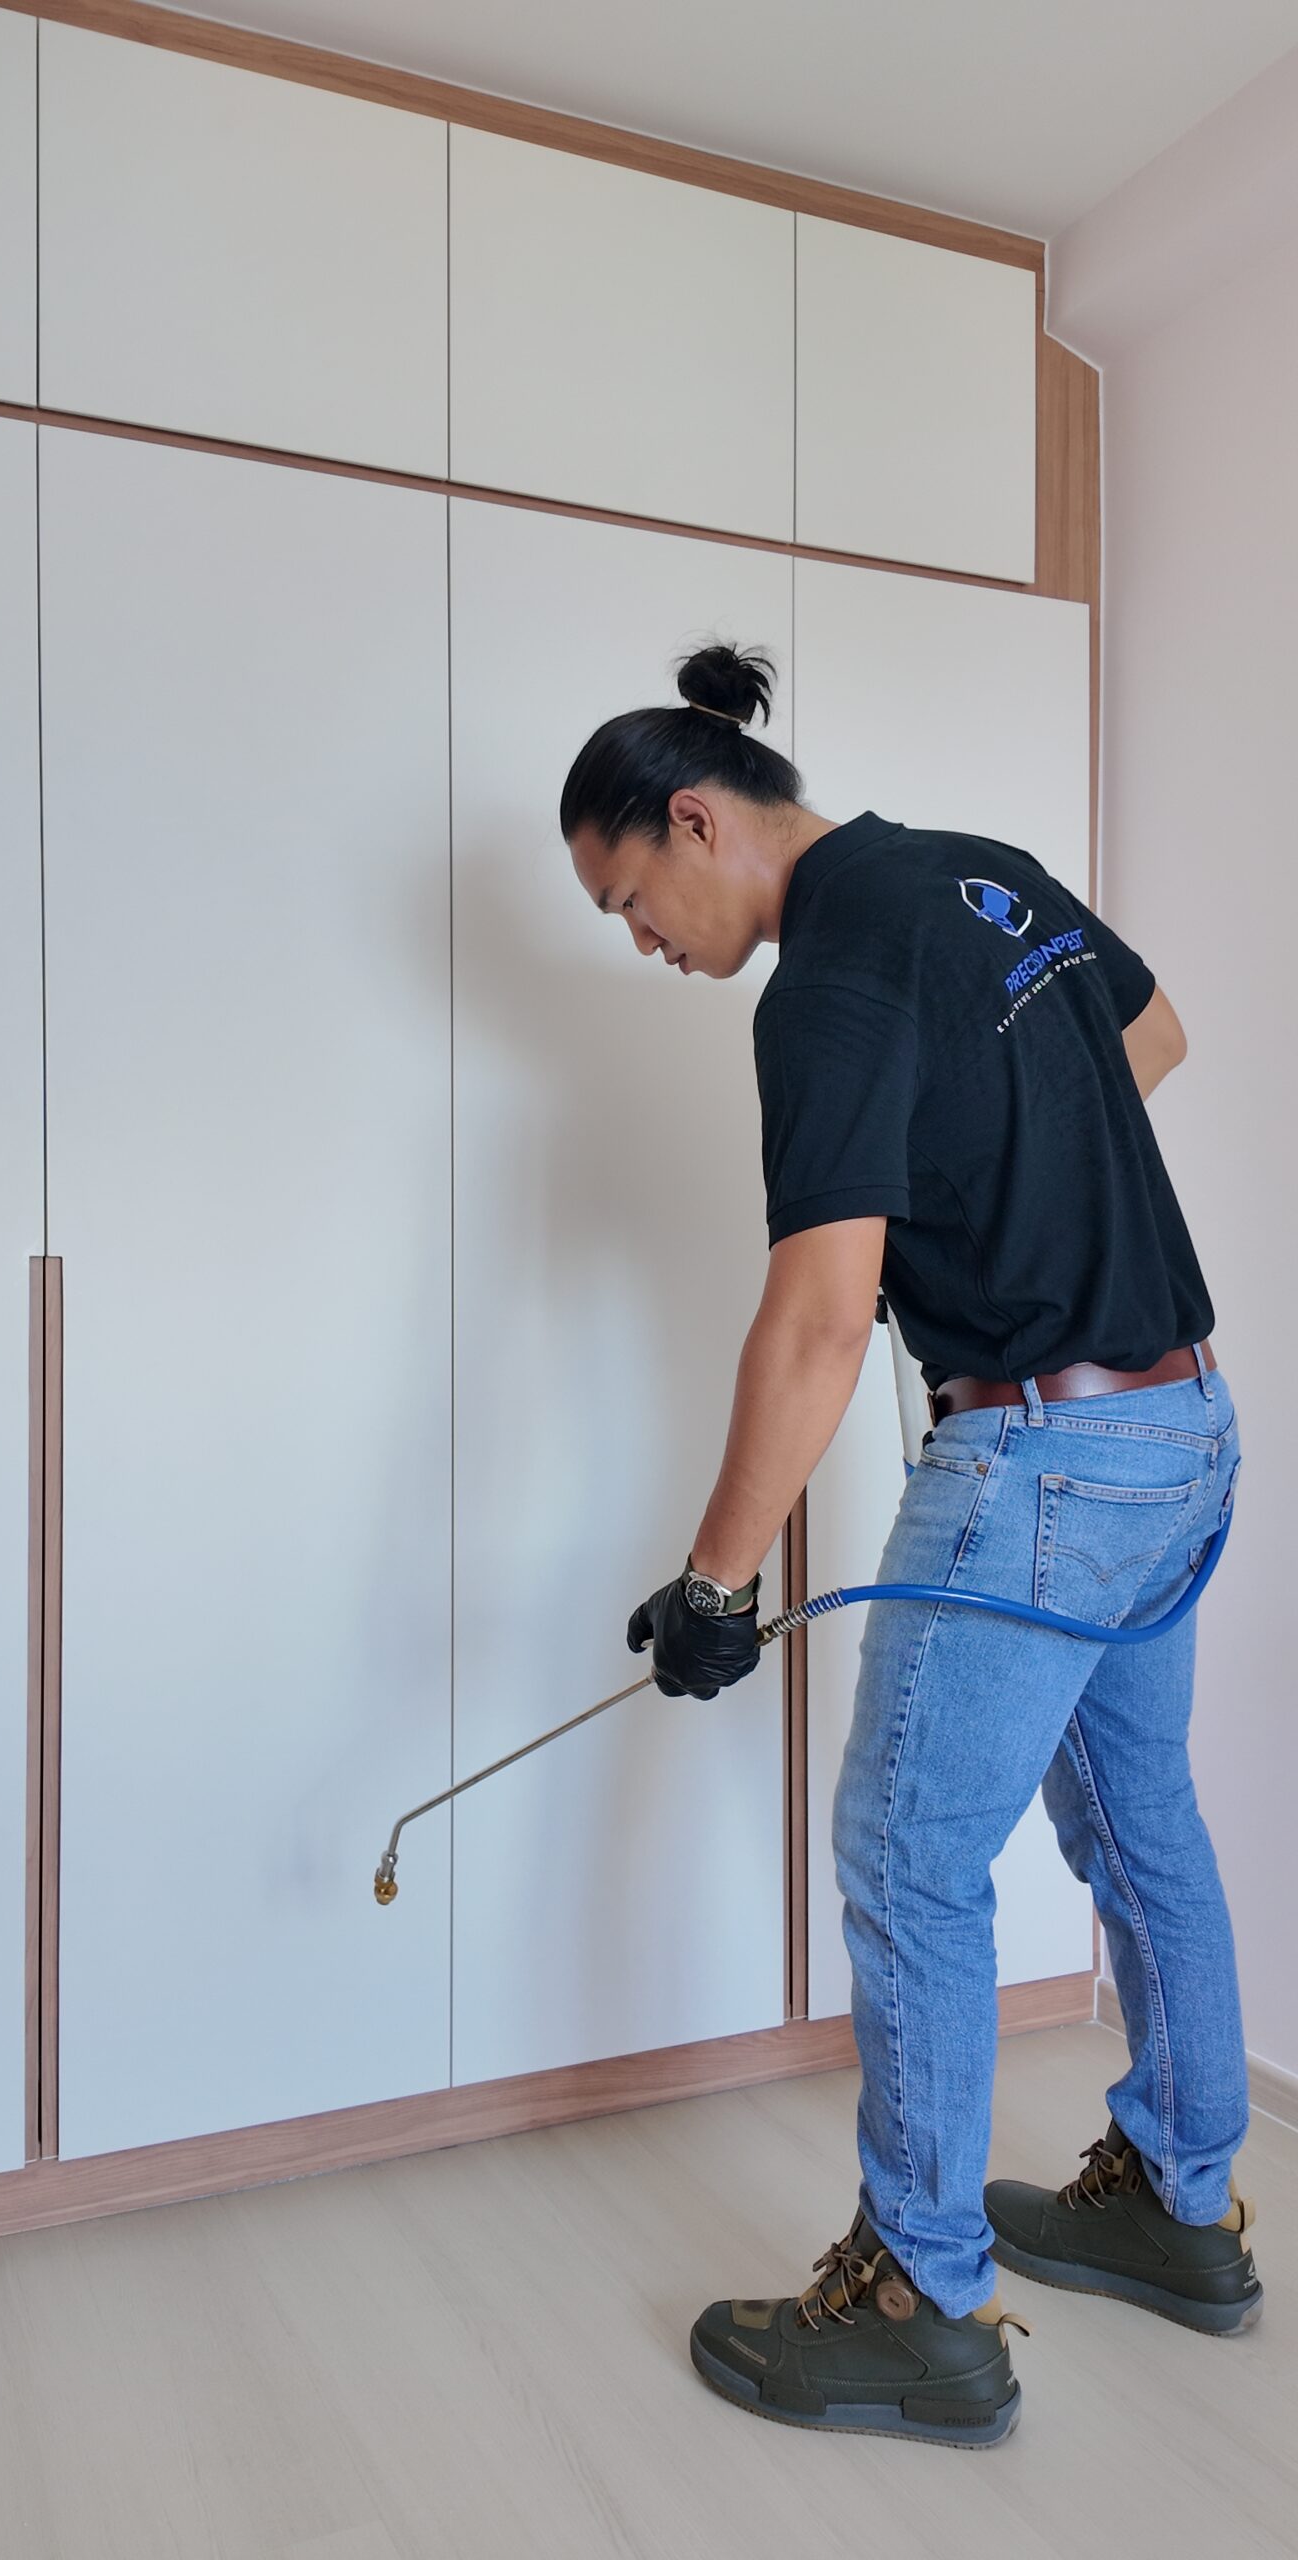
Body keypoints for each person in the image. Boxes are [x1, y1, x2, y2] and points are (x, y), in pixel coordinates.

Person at [559, 640, 1260, 2451]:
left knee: (908, 1856)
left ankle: (921, 2303)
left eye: (630, 901)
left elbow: (816, 1322)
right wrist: (1011, 1176)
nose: (642, 943)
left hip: (1041, 1463)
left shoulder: (824, 983)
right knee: (1140, 1818)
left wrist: (717, 1584)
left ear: (696, 820)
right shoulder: (978, 871)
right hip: (1181, 1428)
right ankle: (1184, 2203)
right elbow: (1150, 1036)